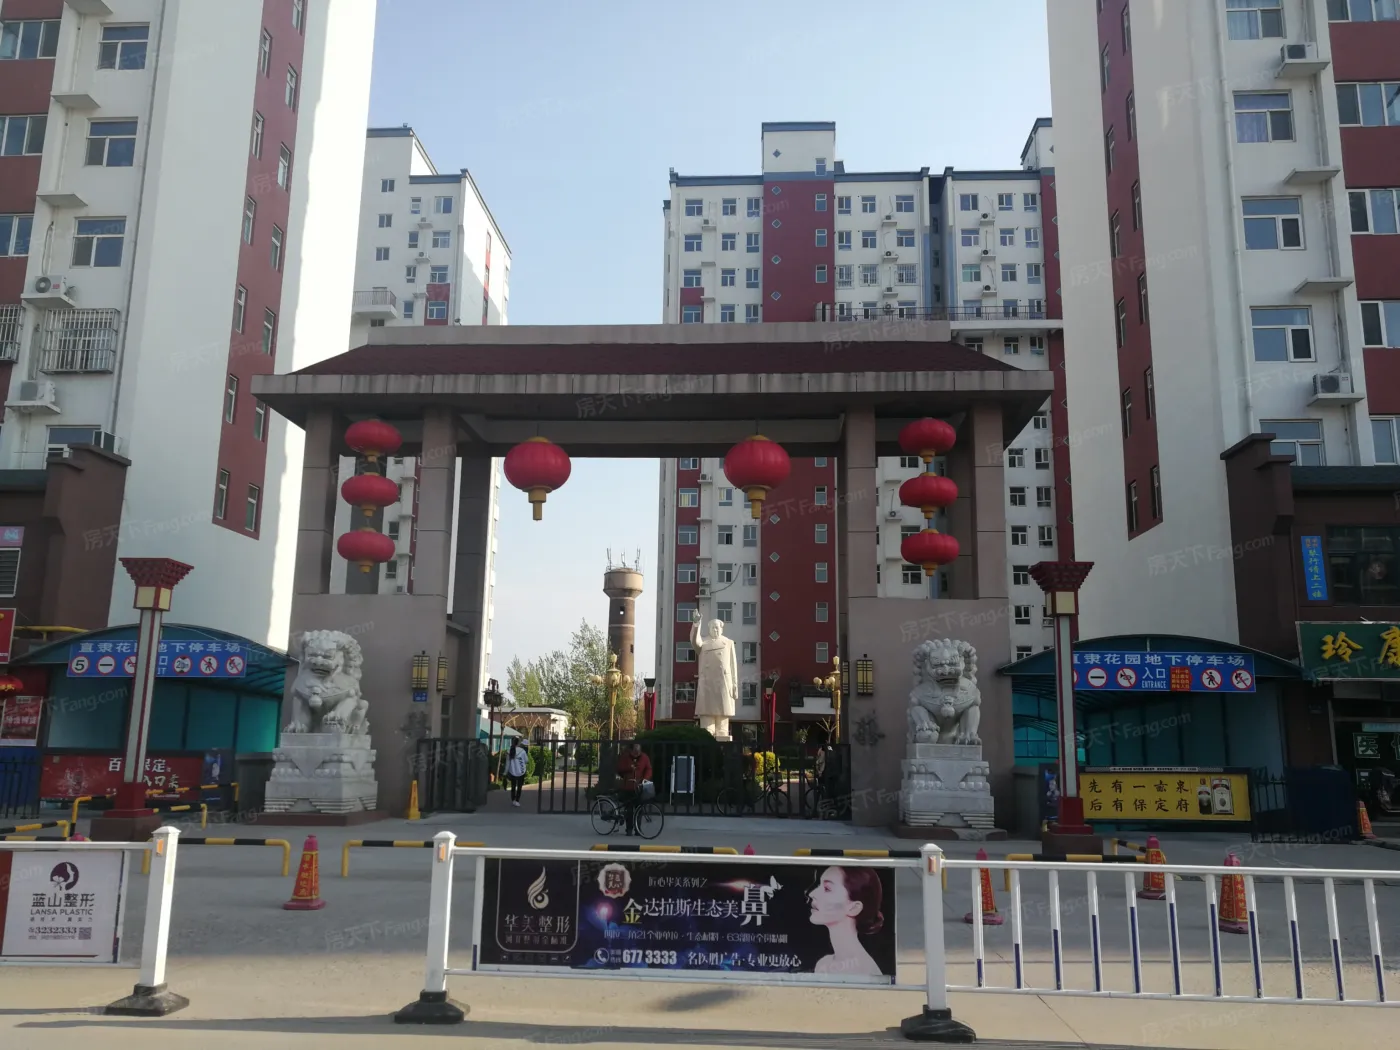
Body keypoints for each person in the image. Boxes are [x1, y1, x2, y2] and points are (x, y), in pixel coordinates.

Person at [807, 866, 884, 977]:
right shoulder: (824, 964)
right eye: (819, 886)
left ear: (854, 908)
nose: (812, 893)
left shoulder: (864, 971)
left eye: (827, 889)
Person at [615, 740, 652, 834]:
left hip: (639, 787)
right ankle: (629, 829)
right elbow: (619, 769)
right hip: (628, 787)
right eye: (635, 751)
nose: (636, 753)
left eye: (638, 751)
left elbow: (648, 769)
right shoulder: (625, 757)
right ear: (631, 750)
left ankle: (638, 829)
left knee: (639, 808)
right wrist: (629, 769)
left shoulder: (644, 757)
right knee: (629, 809)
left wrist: (645, 779)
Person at [505, 739, 529, 808]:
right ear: (518, 743)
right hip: (521, 771)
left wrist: (505, 773)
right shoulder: (523, 751)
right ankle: (517, 800)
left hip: (512, 771)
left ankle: (513, 800)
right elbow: (526, 761)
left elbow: (507, 764)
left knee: (513, 786)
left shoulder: (509, 751)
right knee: (519, 787)